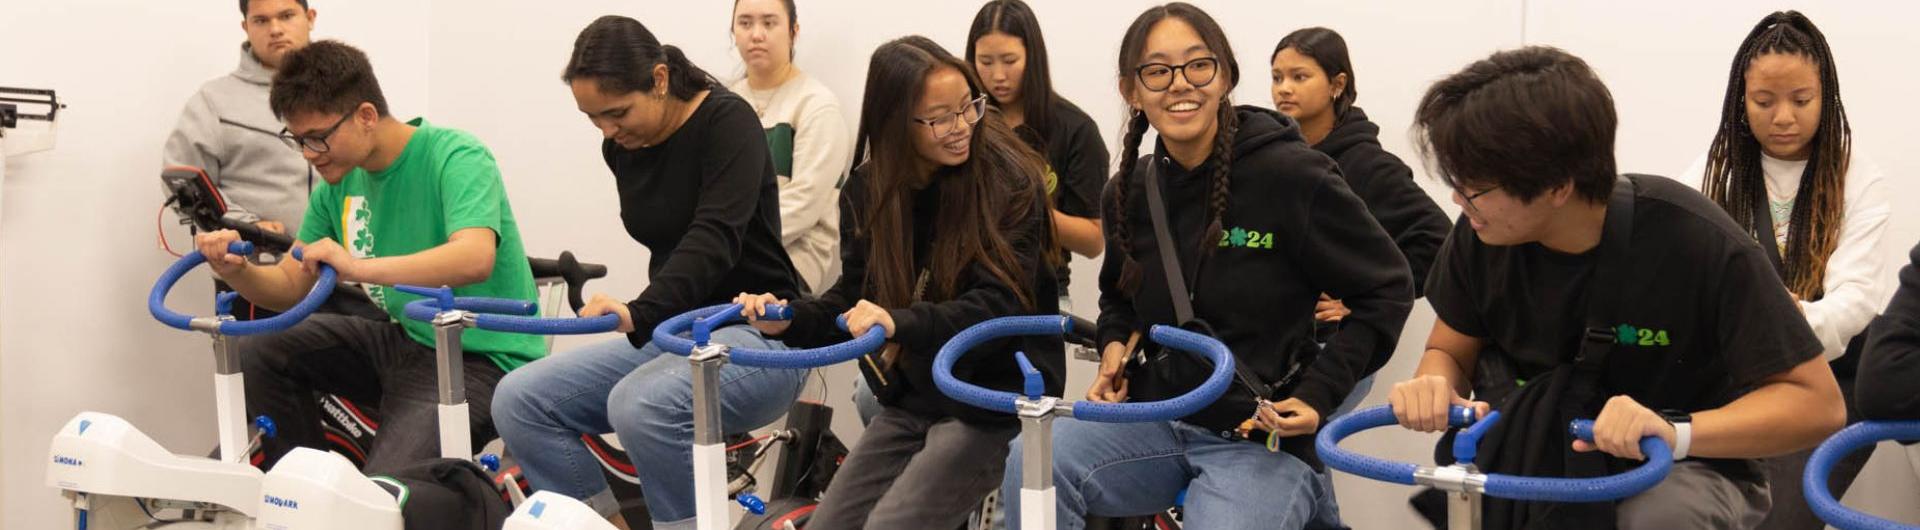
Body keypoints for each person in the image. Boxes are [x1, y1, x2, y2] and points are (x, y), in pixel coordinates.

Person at [1389, 45, 1845, 530]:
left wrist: (1673, 432)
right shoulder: (1483, 231)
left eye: (1474, 189)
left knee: (1657, 519)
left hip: (1686, 463)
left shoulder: (1696, 242)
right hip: (1536, 453)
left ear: (1557, 187)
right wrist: (1434, 384)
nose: (1460, 201)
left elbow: (1817, 404)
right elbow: (1450, 350)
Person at [1000, 4, 1414, 528]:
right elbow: (1119, 300)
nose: (1180, 85)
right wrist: (1112, 351)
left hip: (1257, 438)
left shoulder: (1292, 175)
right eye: (1157, 71)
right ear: (1133, 89)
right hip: (1159, 419)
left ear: (1226, 76)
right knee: (1034, 461)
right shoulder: (1127, 191)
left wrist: (1318, 394)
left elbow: (1388, 288)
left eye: (1199, 65)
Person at [488, 16, 806, 530]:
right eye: (593, 118)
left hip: (763, 336)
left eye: (616, 113)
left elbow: (714, 240)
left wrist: (638, 312)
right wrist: (646, 317)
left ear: (659, 79)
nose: (608, 131)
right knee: (520, 400)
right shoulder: (622, 146)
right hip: (675, 333)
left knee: (639, 406)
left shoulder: (730, 122)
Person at [734, 35, 1059, 528]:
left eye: (968, 108)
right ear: (894, 123)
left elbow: (999, 306)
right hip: (915, 398)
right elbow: (853, 297)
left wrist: (900, 322)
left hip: (990, 399)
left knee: (893, 523)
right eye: (939, 117)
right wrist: (789, 318)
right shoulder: (869, 190)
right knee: (828, 522)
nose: (961, 127)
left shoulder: (1009, 181)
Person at [192, 40, 545, 473]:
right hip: (408, 341)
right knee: (259, 352)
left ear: (365, 116)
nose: (308, 155)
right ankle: (310, 487)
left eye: (318, 139)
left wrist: (357, 267)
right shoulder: (336, 185)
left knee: (382, 494)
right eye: (298, 140)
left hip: (482, 357)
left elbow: (473, 258)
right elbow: (287, 289)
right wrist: (237, 270)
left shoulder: (456, 155)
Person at [1681, 13, 1893, 527]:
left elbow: (1854, 302)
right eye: (1763, 102)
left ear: (1827, 96)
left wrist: (1773, 326)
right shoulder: (1709, 178)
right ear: (1741, 99)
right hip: (1734, 383)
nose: (1783, 118)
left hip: (1830, 384)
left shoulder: (1859, 178)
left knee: (1781, 516)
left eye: (1801, 101)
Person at [1268, 27, 1449, 352]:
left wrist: (1366, 300)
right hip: (1275, 344)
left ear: (1337, 84)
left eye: (1299, 77)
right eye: (1277, 77)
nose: (1284, 89)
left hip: (1334, 349)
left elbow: (1439, 244)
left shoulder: (1369, 165)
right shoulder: (1276, 158)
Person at [726, 0, 852, 294]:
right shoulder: (725, 103)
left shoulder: (816, 105)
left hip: (789, 270)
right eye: (745, 23)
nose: (756, 34)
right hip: (726, 260)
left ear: (793, 31)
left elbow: (803, 204)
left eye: (769, 23)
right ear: (733, 32)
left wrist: (723, 243)